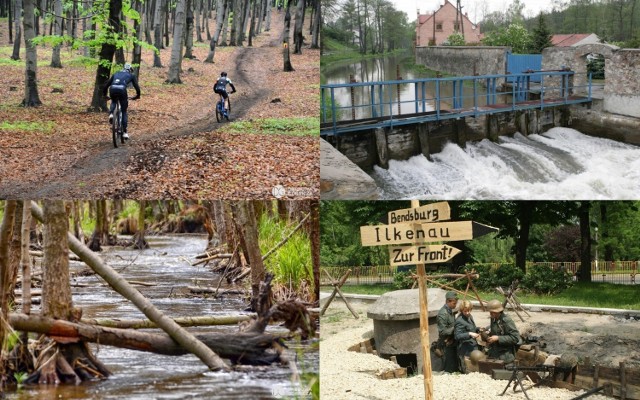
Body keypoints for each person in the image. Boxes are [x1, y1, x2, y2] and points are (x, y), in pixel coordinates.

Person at [103, 63, 141, 140]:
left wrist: (105, 95)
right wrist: (138, 95)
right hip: (122, 89)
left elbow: (106, 85)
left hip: (112, 88)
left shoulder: (116, 73)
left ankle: (111, 114)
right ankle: (125, 132)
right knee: (124, 111)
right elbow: (136, 86)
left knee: (113, 101)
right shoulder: (131, 75)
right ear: (130, 70)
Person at [486, 299, 520, 364]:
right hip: (494, 354)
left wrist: (498, 338)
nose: (490, 313)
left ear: (498, 311)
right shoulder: (493, 318)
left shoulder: (506, 321)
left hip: (505, 357)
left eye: (493, 312)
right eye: (490, 312)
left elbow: (515, 338)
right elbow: (496, 331)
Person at [454, 299, 480, 373]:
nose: (467, 313)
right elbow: (457, 336)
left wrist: (478, 329)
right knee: (468, 370)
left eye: (469, 310)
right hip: (465, 349)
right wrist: (469, 334)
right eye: (465, 311)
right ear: (461, 310)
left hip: (472, 346)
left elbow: (471, 328)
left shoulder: (469, 316)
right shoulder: (459, 320)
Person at [437, 291, 459, 373]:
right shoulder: (443, 314)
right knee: (448, 368)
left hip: (452, 342)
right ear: (448, 301)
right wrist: (455, 328)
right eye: (454, 303)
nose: (455, 305)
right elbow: (442, 331)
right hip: (446, 344)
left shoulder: (450, 311)